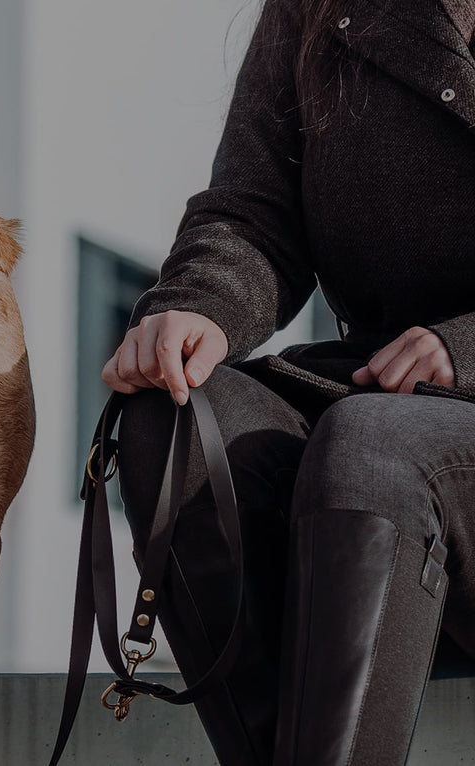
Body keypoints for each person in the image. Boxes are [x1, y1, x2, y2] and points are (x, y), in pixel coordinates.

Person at [101, 0, 475, 764]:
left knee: (374, 443)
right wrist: (194, 307)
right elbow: (255, 209)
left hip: (398, 436)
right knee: (177, 421)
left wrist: (465, 347)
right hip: (371, 393)